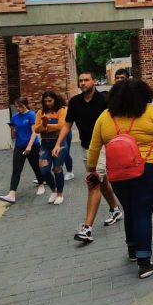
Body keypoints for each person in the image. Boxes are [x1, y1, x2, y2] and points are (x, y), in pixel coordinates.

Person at [90, 78, 153, 279]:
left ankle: (132, 249)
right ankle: (144, 262)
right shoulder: (151, 112)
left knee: (129, 209)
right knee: (143, 213)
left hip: (118, 171)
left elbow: (94, 147)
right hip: (148, 167)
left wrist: (91, 170)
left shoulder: (105, 117)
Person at [53, 72, 123, 245]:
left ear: (94, 81)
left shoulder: (104, 100)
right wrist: (57, 143)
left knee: (93, 184)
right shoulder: (75, 102)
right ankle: (115, 209)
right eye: (81, 81)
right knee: (102, 182)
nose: (83, 83)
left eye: (86, 80)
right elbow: (67, 125)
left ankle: (87, 228)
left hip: (103, 148)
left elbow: (118, 120)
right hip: (87, 149)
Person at [0, 97, 45, 204]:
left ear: (25, 105)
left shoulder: (31, 115)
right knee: (16, 169)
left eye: (20, 106)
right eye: (16, 107)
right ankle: (11, 194)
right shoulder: (15, 117)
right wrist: (13, 130)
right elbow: (15, 134)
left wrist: (29, 146)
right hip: (19, 146)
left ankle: (41, 184)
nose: (18, 109)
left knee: (36, 167)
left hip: (33, 146)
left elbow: (34, 132)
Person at [34, 91, 68, 205]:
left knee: (57, 168)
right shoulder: (40, 112)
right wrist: (43, 126)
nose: (48, 103)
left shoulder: (61, 110)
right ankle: (53, 190)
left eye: (50, 101)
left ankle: (60, 193)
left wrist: (45, 125)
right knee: (44, 170)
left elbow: (61, 126)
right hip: (45, 144)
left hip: (59, 143)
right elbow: (36, 130)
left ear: (55, 100)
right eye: (45, 101)